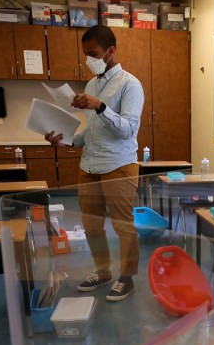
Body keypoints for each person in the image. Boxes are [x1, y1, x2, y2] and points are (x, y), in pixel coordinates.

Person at [45, 25, 144, 302]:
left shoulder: (130, 84)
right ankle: (103, 271)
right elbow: (91, 131)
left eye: (93, 54)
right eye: (85, 54)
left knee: (123, 226)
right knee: (92, 226)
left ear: (110, 51)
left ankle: (126, 278)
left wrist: (100, 106)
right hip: (89, 166)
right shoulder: (92, 85)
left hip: (119, 165)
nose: (89, 59)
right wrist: (67, 143)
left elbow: (127, 130)